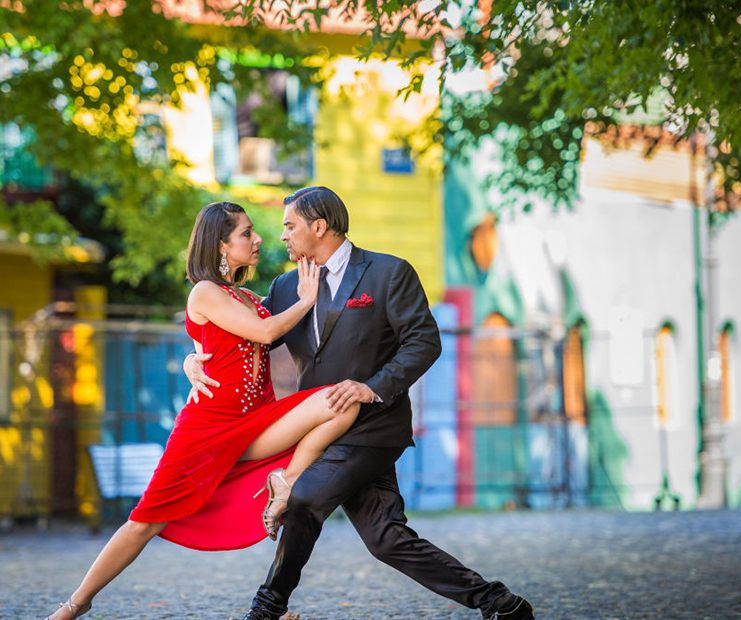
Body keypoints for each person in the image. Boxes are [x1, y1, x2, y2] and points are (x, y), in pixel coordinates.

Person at [185, 186, 534, 620]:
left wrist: (372, 387)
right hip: (320, 432)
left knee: (304, 499)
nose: (282, 236)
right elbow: (242, 338)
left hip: (374, 426)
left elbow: (424, 342)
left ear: (319, 226)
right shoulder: (286, 287)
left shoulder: (389, 273)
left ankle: (266, 609)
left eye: (290, 226)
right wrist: (192, 359)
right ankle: (502, 604)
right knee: (387, 538)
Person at [43, 201, 360, 620]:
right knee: (145, 522)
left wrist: (194, 359)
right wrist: (305, 301)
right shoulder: (205, 292)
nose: (258, 239)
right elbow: (265, 332)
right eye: (246, 233)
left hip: (256, 422)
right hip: (207, 430)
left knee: (343, 401)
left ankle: (284, 483)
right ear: (221, 245)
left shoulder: (245, 296)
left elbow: (218, 346)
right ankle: (76, 604)